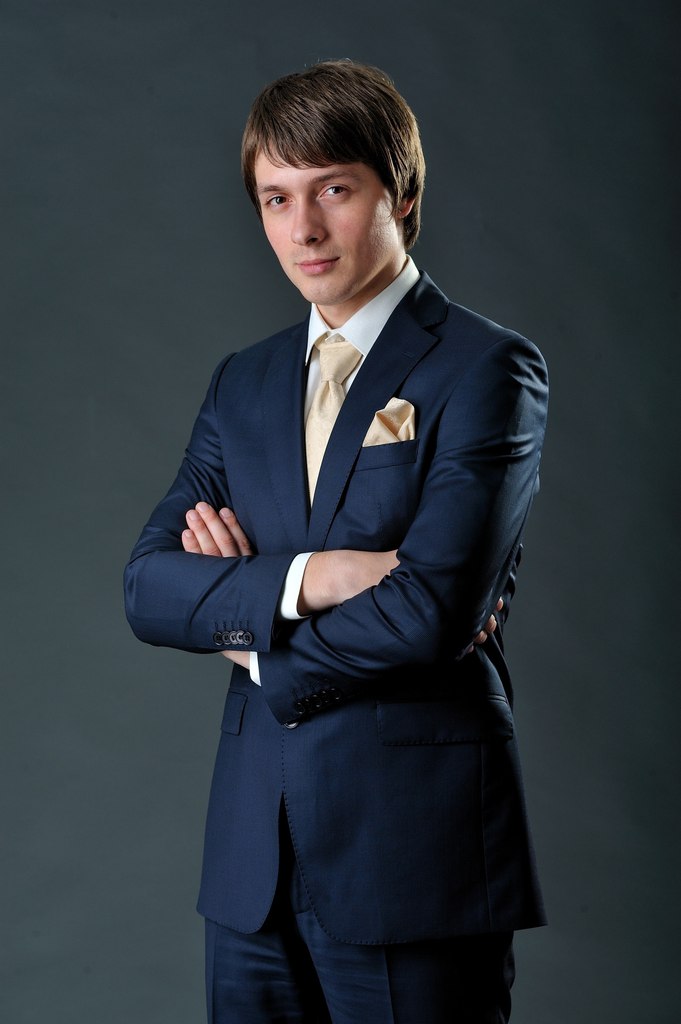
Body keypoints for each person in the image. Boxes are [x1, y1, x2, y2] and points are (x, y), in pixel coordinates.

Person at [125, 59, 548, 1024]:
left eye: (333, 190)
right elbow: (147, 585)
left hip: (414, 851)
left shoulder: (486, 368)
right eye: (277, 198)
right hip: (251, 862)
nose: (303, 229)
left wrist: (247, 632)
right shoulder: (242, 382)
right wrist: (315, 576)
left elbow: (430, 610)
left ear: (400, 194)